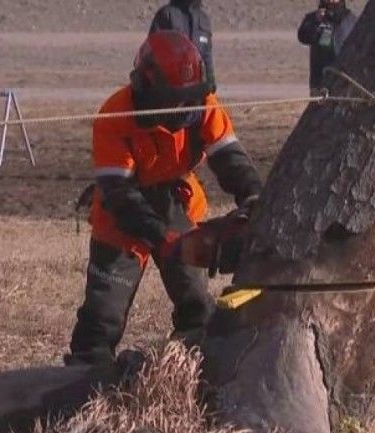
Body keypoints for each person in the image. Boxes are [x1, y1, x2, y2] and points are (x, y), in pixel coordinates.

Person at [66, 31, 262, 366]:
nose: (186, 108)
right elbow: (119, 195)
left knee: (197, 303)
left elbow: (232, 161)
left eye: (191, 99)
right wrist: (162, 237)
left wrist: (255, 200)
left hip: (177, 203)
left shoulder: (204, 106)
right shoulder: (114, 115)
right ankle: (85, 374)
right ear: (148, 88)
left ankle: (189, 368)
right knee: (103, 312)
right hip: (121, 215)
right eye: (176, 100)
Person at [149, 0, 216, 90]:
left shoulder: (203, 19)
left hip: (198, 90)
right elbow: (153, 50)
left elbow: (207, 56)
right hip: (170, 89)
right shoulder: (166, 14)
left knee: (214, 103)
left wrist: (211, 83)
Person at [298, 0, 357, 96]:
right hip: (320, 83)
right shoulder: (314, 19)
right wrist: (316, 21)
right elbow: (303, 37)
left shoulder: (352, 21)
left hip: (345, 83)